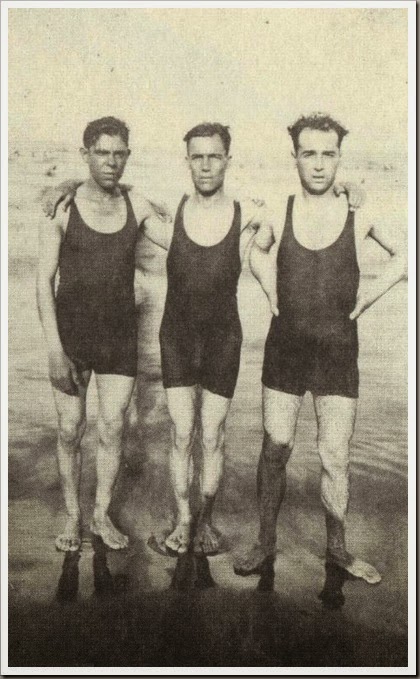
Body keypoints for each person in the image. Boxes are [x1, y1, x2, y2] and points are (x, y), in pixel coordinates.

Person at [43, 121, 363, 558]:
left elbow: (299, 211)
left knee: (201, 436)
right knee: (147, 433)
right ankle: (149, 520)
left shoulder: (242, 213)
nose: (207, 164)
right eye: (198, 156)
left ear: (228, 161)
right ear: (187, 160)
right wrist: (71, 182)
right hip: (161, 337)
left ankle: (195, 521)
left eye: (215, 156)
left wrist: (344, 188)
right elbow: (105, 192)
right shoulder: (144, 213)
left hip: (215, 341)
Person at [233, 113, 407, 584]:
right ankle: (265, 543)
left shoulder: (359, 212)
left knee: (335, 456)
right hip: (284, 350)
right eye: (309, 153)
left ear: (339, 158)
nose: (318, 163)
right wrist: (269, 291)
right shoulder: (278, 209)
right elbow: (253, 249)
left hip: (337, 352)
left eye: (328, 153)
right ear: (294, 157)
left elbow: (408, 255)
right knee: (276, 448)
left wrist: (367, 298)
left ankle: (338, 549)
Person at [37, 116, 168, 551]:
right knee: (70, 429)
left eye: (119, 153)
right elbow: (42, 283)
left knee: (112, 428)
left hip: (119, 337)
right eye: (102, 152)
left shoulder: (139, 205)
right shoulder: (64, 207)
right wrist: (55, 350)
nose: (111, 161)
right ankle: (72, 518)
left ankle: (100, 516)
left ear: (128, 156)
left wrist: (247, 219)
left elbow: (186, 240)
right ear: (85, 154)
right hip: (71, 337)